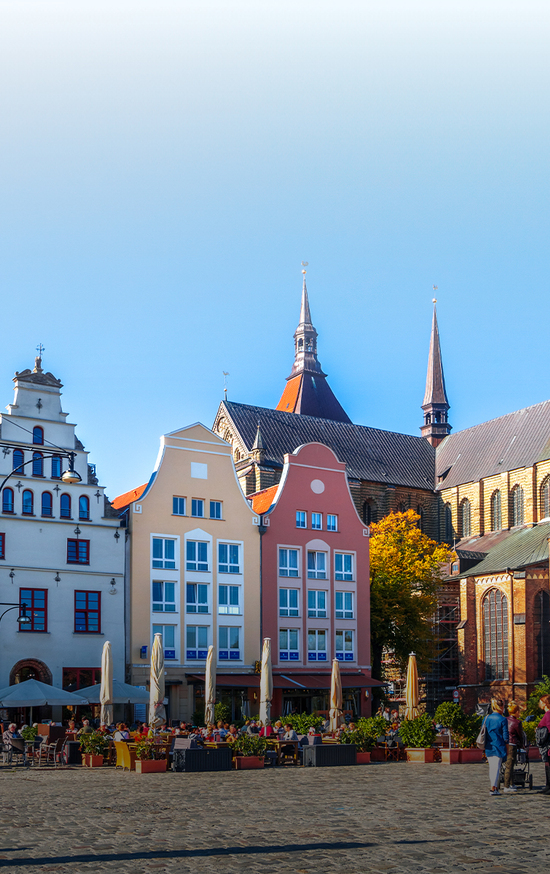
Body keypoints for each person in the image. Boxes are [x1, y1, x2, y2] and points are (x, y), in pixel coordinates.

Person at [484, 697, 509, 796]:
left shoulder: (486, 718)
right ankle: (493, 788)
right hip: (499, 746)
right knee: (496, 768)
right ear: (501, 707)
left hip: (489, 746)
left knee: (492, 767)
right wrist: (507, 749)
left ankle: (494, 787)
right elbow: (506, 736)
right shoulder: (503, 719)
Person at [503, 702, 522, 793]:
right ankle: (506, 785)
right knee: (510, 766)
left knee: (509, 764)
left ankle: (511, 783)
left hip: (505, 743)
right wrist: (522, 744)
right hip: (512, 744)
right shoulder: (517, 722)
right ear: (516, 711)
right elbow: (520, 735)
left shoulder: (505, 719)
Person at [537, 694, 550, 794]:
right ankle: (548, 785)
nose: (539, 703)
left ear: (545, 703)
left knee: (548, 764)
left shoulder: (548, 714)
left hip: (548, 744)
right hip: (547, 744)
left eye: (541, 701)